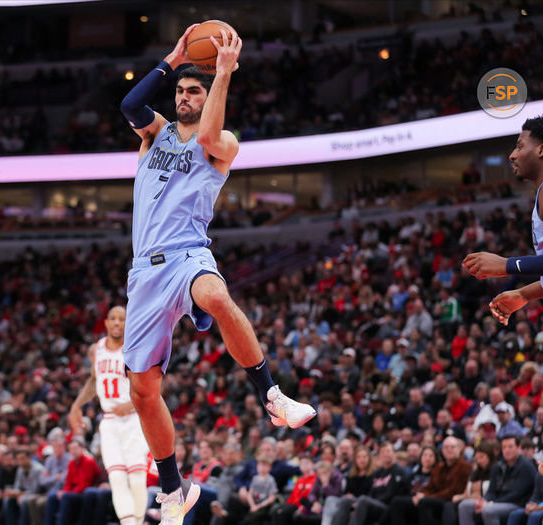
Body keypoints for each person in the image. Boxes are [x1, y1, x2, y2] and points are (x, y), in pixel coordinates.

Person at [119, 23, 316, 525]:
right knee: (143, 391)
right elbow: (129, 104)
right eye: (180, 90)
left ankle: (271, 396)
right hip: (144, 272)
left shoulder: (221, 142)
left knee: (218, 298)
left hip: (188, 254)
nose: (184, 96)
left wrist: (223, 73)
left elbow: (208, 132)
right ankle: (173, 490)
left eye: (194, 90)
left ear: (208, 97)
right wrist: (172, 58)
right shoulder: (153, 133)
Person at [463, 115, 543, 523]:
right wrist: (526, 294)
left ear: (542, 149)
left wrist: (508, 266)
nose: (513, 154)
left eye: (520, 144)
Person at [69, 306, 149, 525]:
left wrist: (132, 403)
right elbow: (95, 381)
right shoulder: (97, 349)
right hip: (110, 420)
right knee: (116, 476)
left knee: (136, 477)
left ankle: (138, 522)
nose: (116, 323)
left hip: (133, 419)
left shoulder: (136, 346)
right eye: (112, 319)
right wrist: (76, 405)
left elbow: (153, 383)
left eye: (121, 319)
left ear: (128, 322)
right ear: (105, 323)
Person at [457, 436, 536, 525]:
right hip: (497, 502)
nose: (507, 450)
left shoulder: (526, 466)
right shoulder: (498, 466)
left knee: (488, 510)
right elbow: (491, 491)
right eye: (504, 447)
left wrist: (491, 503)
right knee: (464, 505)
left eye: (510, 447)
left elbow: (516, 495)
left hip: (516, 504)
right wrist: (483, 500)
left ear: (518, 448)